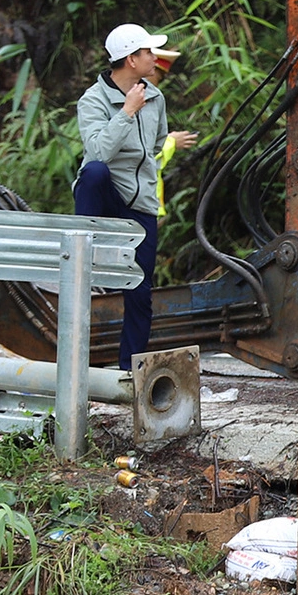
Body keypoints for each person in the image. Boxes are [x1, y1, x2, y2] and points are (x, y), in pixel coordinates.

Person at [74, 24, 196, 369]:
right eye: (148, 53)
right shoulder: (94, 100)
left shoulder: (155, 98)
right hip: (105, 194)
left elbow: (156, 145)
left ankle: (131, 369)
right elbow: (97, 151)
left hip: (139, 201)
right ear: (131, 59)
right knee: (94, 172)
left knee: (141, 291)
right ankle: (86, 238)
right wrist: (126, 112)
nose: (154, 59)